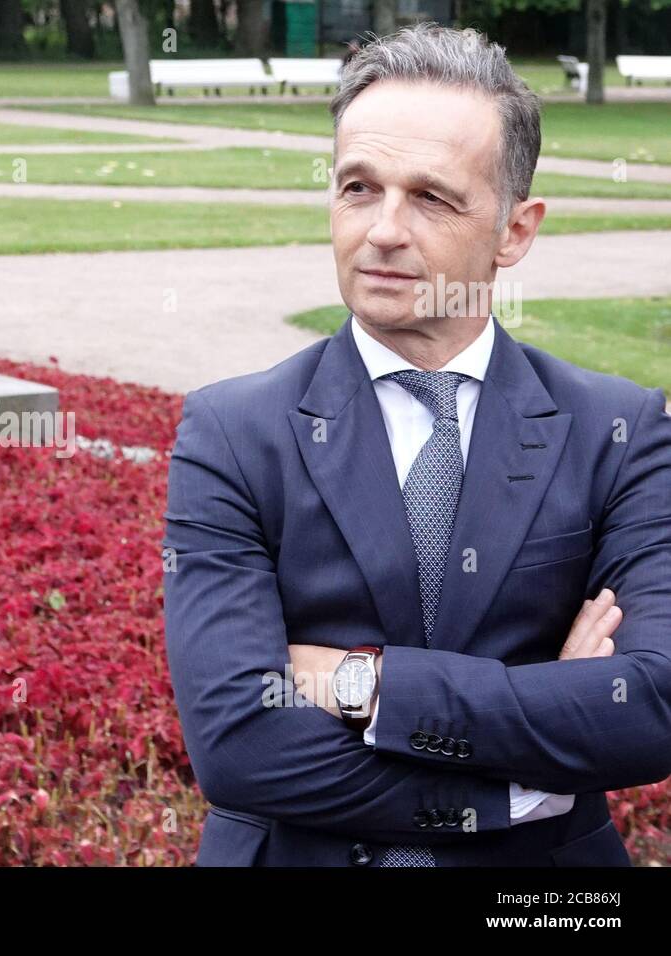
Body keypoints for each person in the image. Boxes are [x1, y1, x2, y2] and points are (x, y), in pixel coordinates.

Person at [162, 23, 670, 866]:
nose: (385, 230)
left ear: (515, 231)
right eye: (359, 187)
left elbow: (650, 708)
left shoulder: (616, 430)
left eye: (431, 198)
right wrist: (526, 780)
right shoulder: (232, 432)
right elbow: (239, 744)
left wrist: (363, 682)